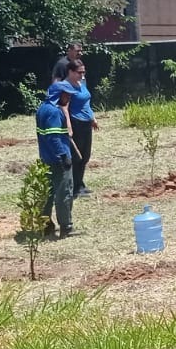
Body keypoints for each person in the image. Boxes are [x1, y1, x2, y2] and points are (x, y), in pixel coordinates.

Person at [47, 59, 100, 198]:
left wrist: (92, 118)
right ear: (70, 72)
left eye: (83, 72)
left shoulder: (81, 83)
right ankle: (74, 188)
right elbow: (64, 107)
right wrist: (69, 127)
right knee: (76, 157)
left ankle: (79, 184)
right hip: (75, 123)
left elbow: (86, 102)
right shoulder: (66, 86)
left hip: (86, 123)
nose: (82, 75)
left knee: (85, 156)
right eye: (79, 72)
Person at [34, 91, 77, 238]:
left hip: (46, 158)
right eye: (67, 95)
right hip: (58, 160)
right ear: (59, 95)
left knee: (47, 193)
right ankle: (66, 226)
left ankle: (46, 226)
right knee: (64, 192)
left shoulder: (42, 108)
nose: (70, 98)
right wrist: (64, 155)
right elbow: (53, 137)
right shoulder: (54, 112)